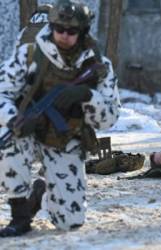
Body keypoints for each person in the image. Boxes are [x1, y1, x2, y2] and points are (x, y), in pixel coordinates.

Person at [0, 0, 120, 237]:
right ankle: (20, 215)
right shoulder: (29, 55)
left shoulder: (97, 65)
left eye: (71, 31)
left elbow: (110, 117)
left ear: (82, 31)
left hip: (66, 138)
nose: (64, 35)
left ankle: (41, 195)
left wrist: (87, 95)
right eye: (59, 29)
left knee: (69, 223)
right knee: (8, 140)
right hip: (29, 133)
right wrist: (14, 119)